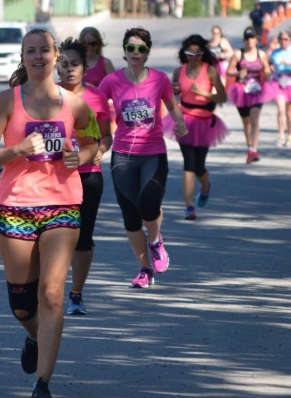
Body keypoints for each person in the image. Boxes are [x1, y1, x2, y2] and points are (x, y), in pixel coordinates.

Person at [0, 28, 98, 398]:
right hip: (15, 205)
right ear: (23, 57)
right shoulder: (6, 101)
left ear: (55, 54)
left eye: (44, 50)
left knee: (51, 294)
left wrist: (85, 156)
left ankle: (43, 384)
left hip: (62, 203)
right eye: (31, 51)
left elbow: (95, 139)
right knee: (22, 306)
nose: (38, 57)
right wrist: (16, 149)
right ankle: (34, 337)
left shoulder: (74, 104)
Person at [99, 27, 187, 289]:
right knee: (130, 216)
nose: (135, 53)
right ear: (125, 52)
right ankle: (144, 269)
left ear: (147, 53)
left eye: (140, 49)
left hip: (152, 153)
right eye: (130, 48)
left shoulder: (159, 80)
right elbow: (95, 106)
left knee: (148, 205)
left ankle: (156, 241)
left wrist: (180, 123)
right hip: (123, 155)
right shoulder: (112, 81)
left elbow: (172, 106)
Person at [57, 38, 112, 316]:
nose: (69, 69)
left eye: (75, 64)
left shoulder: (96, 97)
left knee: (82, 237)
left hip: (88, 175)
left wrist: (100, 149)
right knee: (54, 235)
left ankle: (76, 294)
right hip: (52, 177)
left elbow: (106, 135)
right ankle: (49, 290)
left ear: (85, 67)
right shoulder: (48, 95)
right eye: (63, 64)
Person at [166, 35, 229, 221]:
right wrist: (175, 92)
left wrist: (205, 93)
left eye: (198, 54)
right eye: (190, 54)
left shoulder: (210, 71)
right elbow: (173, 97)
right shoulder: (179, 72)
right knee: (189, 164)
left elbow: (223, 98)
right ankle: (189, 207)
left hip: (205, 122)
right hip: (184, 120)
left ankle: (206, 186)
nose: (194, 58)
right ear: (185, 54)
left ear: (203, 54)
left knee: (199, 165)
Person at [226, 26, 274, 163]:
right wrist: (237, 73)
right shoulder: (238, 54)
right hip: (241, 90)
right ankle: (249, 146)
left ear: (256, 39)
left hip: (257, 89)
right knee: (246, 122)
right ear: (244, 40)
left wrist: (268, 73)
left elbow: (266, 69)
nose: (249, 40)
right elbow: (229, 71)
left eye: (252, 37)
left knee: (254, 118)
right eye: (247, 38)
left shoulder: (261, 54)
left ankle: (254, 149)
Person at [269, 29, 291, 147]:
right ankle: (281, 134)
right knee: (281, 110)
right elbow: (269, 64)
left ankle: (290, 136)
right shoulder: (274, 52)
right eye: (281, 39)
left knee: (289, 111)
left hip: (290, 82)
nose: (283, 41)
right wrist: (270, 68)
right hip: (278, 82)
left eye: (286, 39)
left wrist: (288, 64)